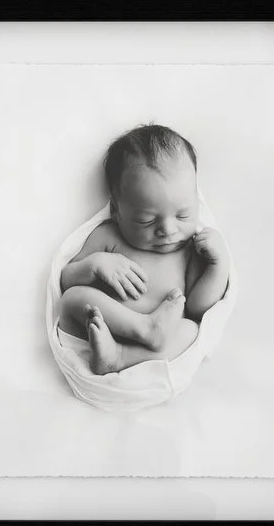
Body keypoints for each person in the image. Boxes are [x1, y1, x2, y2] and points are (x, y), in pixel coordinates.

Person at [57, 124, 229, 375]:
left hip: (153, 347)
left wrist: (218, 266)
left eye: (183, 215)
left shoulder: (190, 250)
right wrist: (95, 265)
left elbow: (197, 307)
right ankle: (144, 328)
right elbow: (66, 280)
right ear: (116, 211)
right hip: (103, 327)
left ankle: (120, 357)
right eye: (147, 220)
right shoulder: (109, 235)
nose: (168, 230)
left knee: (190, 330)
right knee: (73, 298)